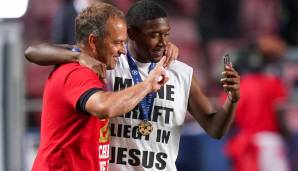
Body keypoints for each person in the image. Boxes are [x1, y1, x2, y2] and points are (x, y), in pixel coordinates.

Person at [25, 1, 240, 170]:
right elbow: (34, 52)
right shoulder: (107, 63)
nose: (163, 42)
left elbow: (215, 128)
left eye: (166, 34)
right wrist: (79, 56)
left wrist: (232, 99)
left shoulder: (180, 73)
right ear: (131, 34)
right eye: (154, 35)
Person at [25, 3, 169, 171]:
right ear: (93, 41)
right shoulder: (77, 73)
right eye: (117, 43)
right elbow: (103, 107)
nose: (123, 50)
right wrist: (147, 86)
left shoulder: (92, 68)